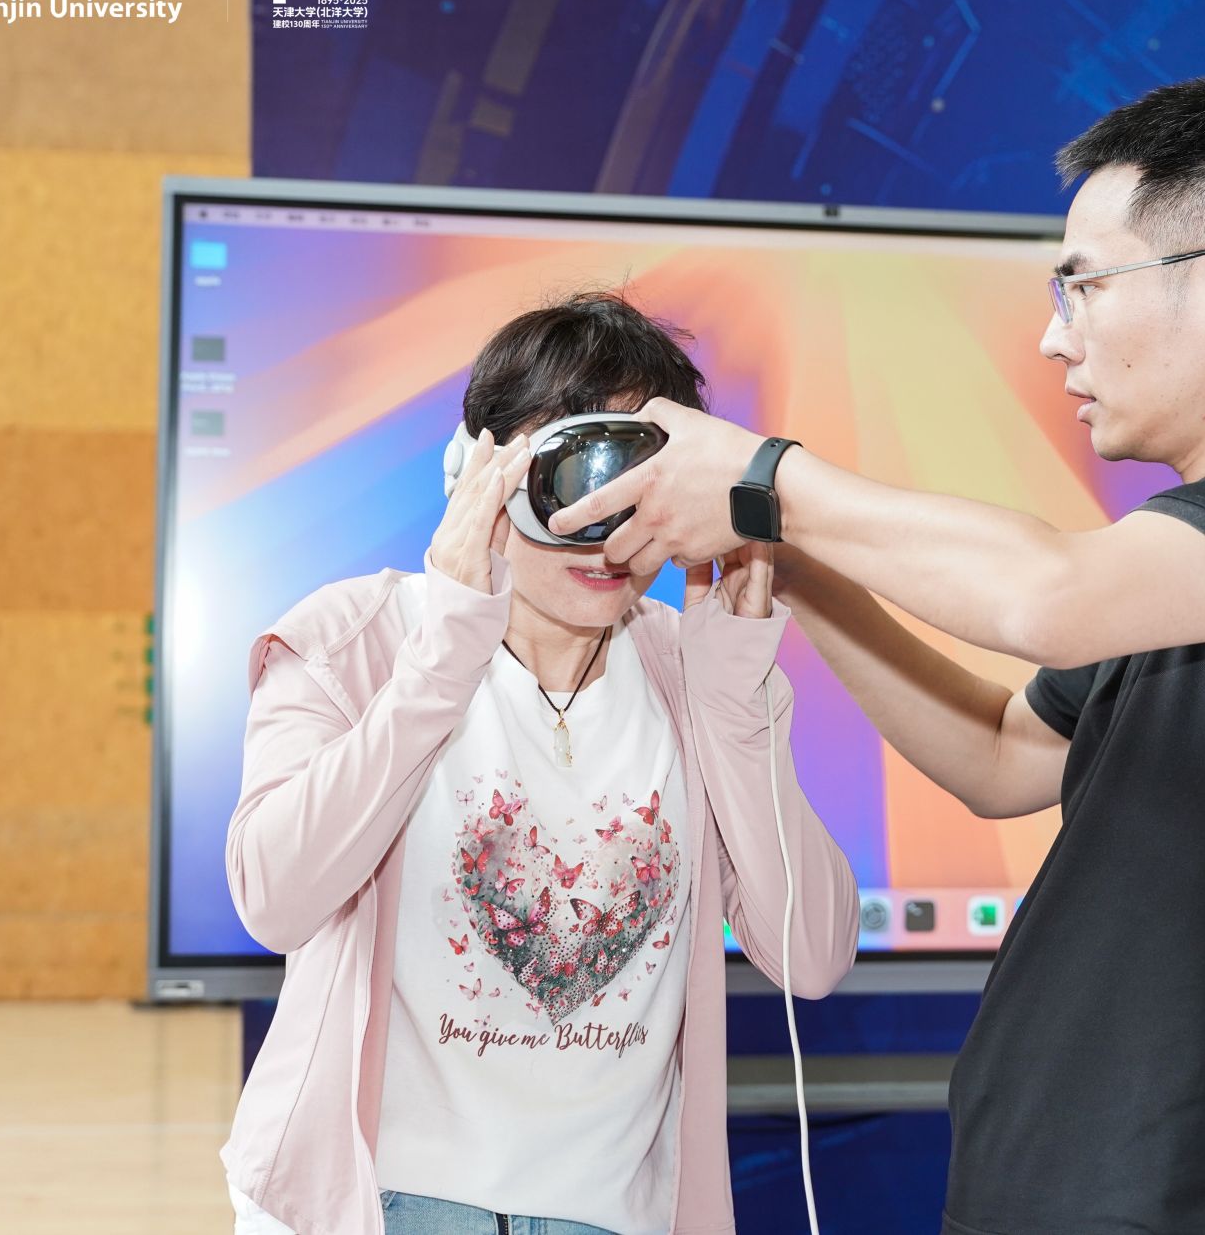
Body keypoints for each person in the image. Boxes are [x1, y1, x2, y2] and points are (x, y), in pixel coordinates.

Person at [543, 77, 1205, 1234]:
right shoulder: (1182, 572)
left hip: (1197, 1196)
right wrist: (786, 554)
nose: (1052, 335)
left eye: (1082, 286)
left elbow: (1044, 598)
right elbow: (995, 753)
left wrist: (761, 477)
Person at [218, 292, 860, 1235]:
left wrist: (734, 702)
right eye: (573, 476)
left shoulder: (691, 672)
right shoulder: (352, 641)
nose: (606, 529)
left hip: (608, 1213)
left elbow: (813, 954)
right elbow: (275, 898)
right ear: (478, 471)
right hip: (376, 1202)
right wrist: (441, 657)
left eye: (639, 487)